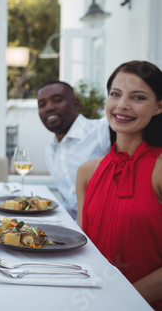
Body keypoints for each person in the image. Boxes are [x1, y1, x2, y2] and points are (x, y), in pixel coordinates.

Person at [76, 61, 162, 310]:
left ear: (158, 106)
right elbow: (83, 247)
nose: (122, 105)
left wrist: (119, 301)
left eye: (138, 97)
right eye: (115, 94)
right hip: (89, 301)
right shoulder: (87, 172)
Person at [37, 80, 110, 219]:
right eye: (42, 104)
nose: (49, 108)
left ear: (76, 103)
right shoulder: (50, 152)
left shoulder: (101, 131)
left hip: (106, 224)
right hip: (74, 227)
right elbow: (70, 203)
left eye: (57, 100)